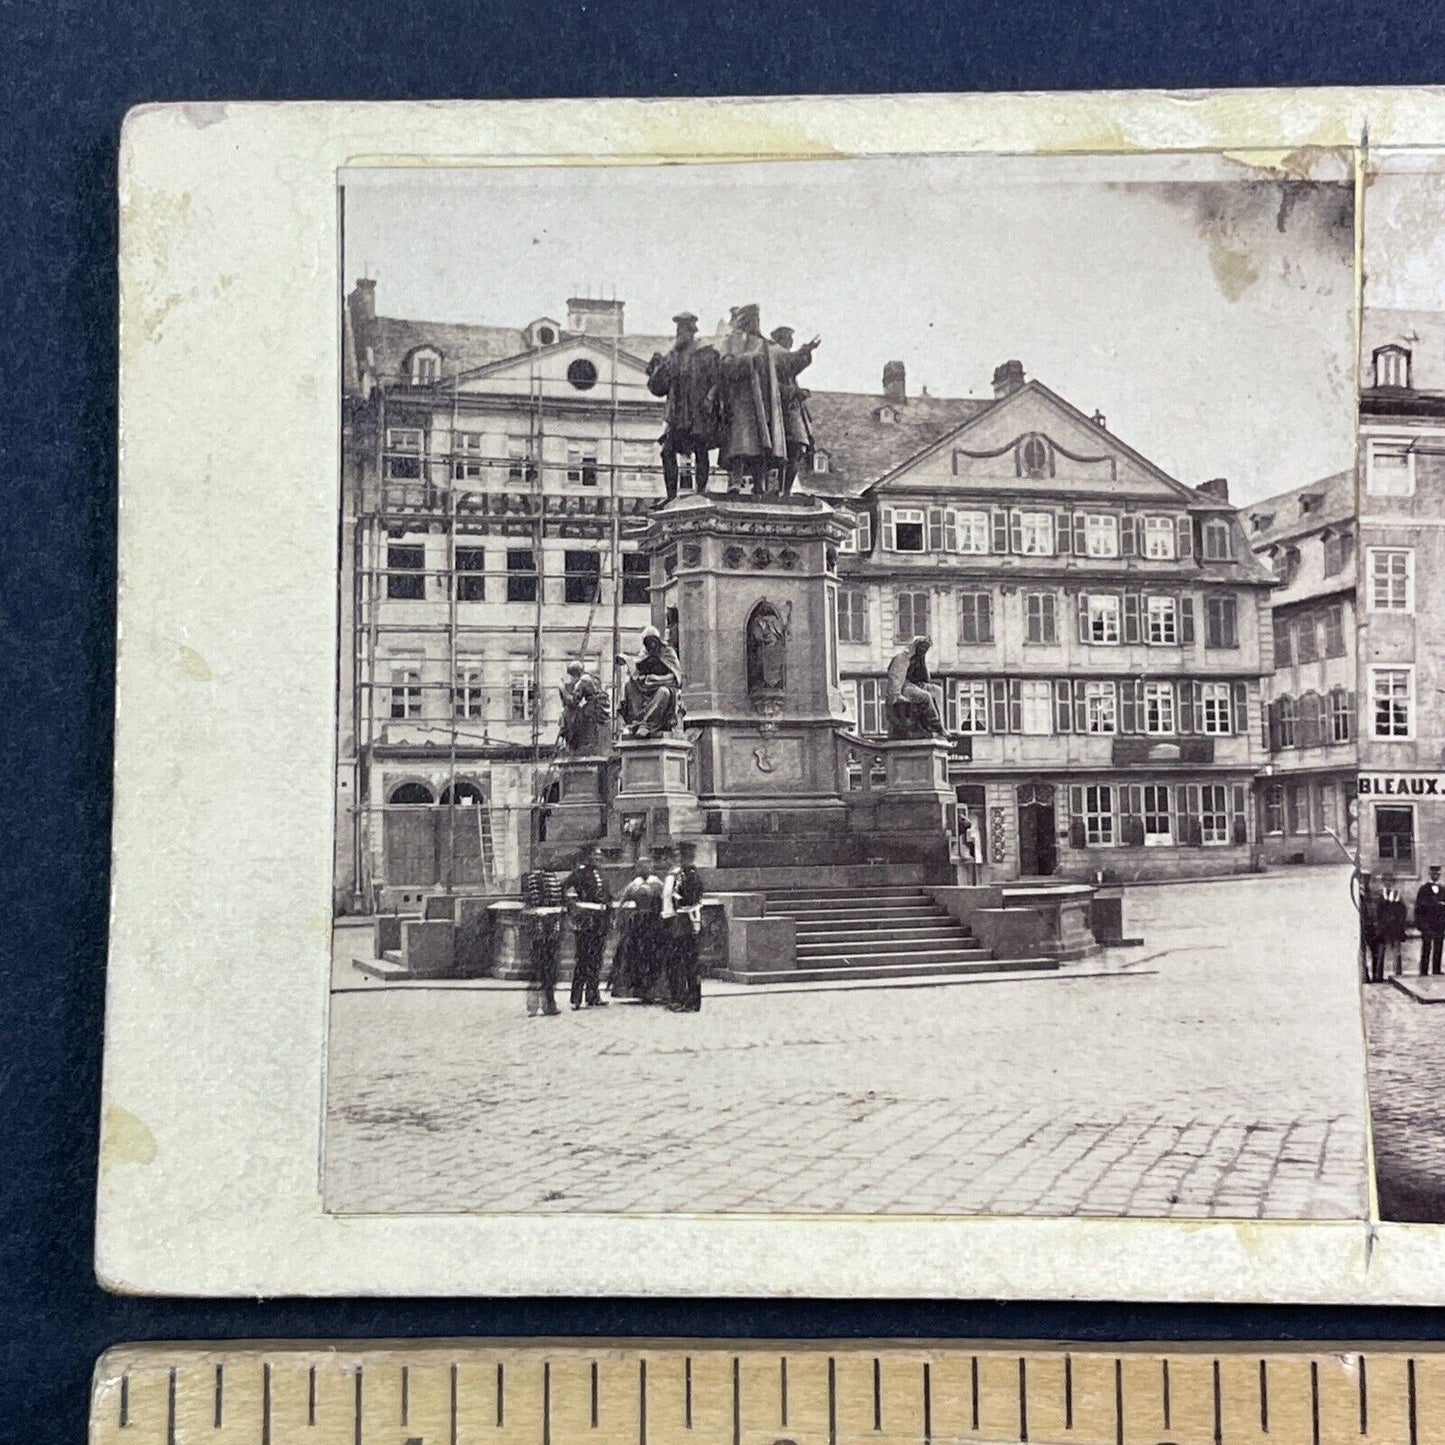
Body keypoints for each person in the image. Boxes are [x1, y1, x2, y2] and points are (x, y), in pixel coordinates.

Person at [646, 312, 721, 501]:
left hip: (698, 411)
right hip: (677, 414)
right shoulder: (672, 356)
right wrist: (657, 369)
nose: (679, 333)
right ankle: (671, 496)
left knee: (700, 449)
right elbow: (658, 388)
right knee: (667, 451)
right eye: (678, 329)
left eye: (683, 329)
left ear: (692, 331)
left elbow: (718, 379)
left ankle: (701, 491)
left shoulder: (706, 353)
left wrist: (710, 397)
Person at [717, 303, 789, 495]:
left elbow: (783, 366)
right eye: (753, 320)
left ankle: (760, 483)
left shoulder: (766, 344)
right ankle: (736, 480)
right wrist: (749, 358)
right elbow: (725, 365)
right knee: (740, 441)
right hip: (740, 398)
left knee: (761, 442)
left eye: (758, 320)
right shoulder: (731, 341)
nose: (756, 324)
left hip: (763, 401)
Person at [768, 326, 819, 495]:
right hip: (780, 411)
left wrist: (807, 351)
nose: (790, 343)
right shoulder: (774, 356)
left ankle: (786, 490)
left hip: (793, 410)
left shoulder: (785, 363)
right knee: (787, 448)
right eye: (787, 339)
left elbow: (796, 364)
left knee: (798, 447)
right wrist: (794, 392)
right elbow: (773, 385)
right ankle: (780, 489)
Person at [564, 845, 613, 1009]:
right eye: (595, 855)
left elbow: (607, 897)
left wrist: (609, 914)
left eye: (599, 855)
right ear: (588, 856)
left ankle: (593, 996)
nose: (598, 858)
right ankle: (576, 998)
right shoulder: (579, 873)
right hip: (585, 923)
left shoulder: (602, 874)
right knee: (583, 960)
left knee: (596, 960)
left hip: (600, 922)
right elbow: (563, 889)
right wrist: (574, 907)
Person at [612, 856, 664, 1001]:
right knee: (635, 955)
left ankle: (653, 988)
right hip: (638, 923)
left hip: (654, 922)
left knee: (653, 954)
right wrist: (619, 916)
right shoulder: (633, 885)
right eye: (642, 867)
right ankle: (638, 989)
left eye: (647, 866)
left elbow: (666, 899)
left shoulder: (658, 883)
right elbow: (621, 900)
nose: (645, 869)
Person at [662, 841, 706, 1012]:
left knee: (687, 964)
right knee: (680, 963)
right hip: (680, 922)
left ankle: (689, 1001)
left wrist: (677, 899)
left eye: (681, 855)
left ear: (689, 856)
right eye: (678, 854)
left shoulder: (691, 875)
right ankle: (683, 999)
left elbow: (689, 899)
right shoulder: (682, 874)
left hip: (685, 922)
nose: (678, 857)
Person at [616, 625, 683, 737]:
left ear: (658, 640)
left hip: (664, 685)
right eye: (647, 643)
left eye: (653, 641)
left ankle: (647, 724)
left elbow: (677, 677)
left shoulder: (668, 652)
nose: (651, 646)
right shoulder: (644, 654)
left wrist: (657, 679)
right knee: (628, 686)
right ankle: (633, 723)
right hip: (647, 687)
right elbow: (637, 672)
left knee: (663, 692)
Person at [520, 865, 565, 1016]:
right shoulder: (531, 880)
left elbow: (559, 905)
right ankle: (535, 1004)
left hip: (550, 929)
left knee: (550, 969)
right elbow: (528, 904)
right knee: (538, 968)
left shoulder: (552, 879)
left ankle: (548, 1003)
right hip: (539, 930)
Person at [885, 635, 947, 738]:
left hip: (915, 685)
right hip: (903, 686)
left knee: (937, 691)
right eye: (922, 647)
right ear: (915, 646)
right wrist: (896, 695)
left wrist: (922, 662)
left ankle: (941, 724)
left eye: (926, 648)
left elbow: (925, 679)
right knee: (925, 696)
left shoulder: (919, 659)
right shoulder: (902, 657)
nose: (924, 650)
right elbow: (895, 677)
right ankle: (936, 726)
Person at [558, 660, 610, 754]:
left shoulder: (582, 681)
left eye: (571, 676)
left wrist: (563, 689)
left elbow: (573, 701)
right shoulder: (591, 678)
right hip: (598, 711)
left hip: (591, 712)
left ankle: (572, 746)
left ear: (574, 674)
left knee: (569, 716)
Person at [1415, 864, 1445, 976]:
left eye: (1437, 874)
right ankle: (1424, 971)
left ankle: (1436, 970)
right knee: (1426, 947)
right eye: (1433, 873)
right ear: (1430, 874)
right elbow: (1419, 907)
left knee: (1438, 947)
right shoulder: (1423, 889)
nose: (1435, 875)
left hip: (1440, 924)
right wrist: (1420, 924)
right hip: (1427, 923)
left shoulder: (1443, 889)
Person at [1378, 877, 1409, 977]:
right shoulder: (1379, 895)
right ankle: (1379, 975)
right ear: (1383, 882)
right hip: (1383, 928)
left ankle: (1398, 973)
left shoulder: (1396, 895)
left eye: (1390, 881)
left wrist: (1398, 922)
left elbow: (1403, 911)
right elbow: (1377, 911)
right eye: (1386, 881)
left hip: (1395, 928)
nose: (1388, 883)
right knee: (1380, 952)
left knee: (1396, 951)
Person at [1359, 872, 1384, 983]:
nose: (1366, 880)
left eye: (1367, 878)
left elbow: (1375, 910)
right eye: (1363, 878)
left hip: (1372, 927)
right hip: (1361, 927)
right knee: (1362, 954)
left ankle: (1376, 976)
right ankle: (1365, 976)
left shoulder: (1372, 893)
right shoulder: (1357, 893)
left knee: (1375, 952)